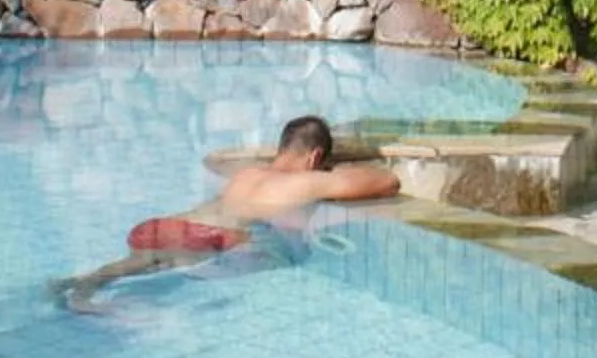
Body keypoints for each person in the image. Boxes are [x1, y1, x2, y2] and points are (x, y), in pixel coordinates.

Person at [55, 114, 399, 310]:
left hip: (171, 223)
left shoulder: (249, 173)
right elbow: (387, 182)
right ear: (313, 157)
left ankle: (76, 283)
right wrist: (330, 175)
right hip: (199, 236)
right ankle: (83, 295)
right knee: (153, 270)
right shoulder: (301, 182)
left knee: (144, 263)